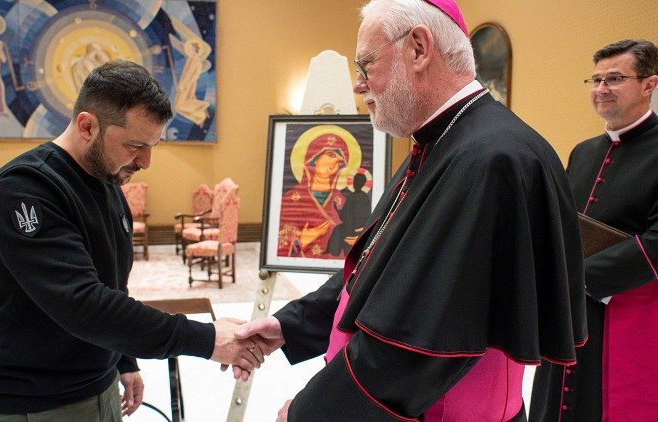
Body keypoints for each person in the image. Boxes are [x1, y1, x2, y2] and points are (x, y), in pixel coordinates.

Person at [236, 0, 587, 420]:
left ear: (418, 49)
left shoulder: (491, 160)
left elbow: (414, 348)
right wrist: (290, 325)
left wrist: (309, 412)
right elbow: (376, 267)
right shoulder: (441, 143)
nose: (358, 85)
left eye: (365, 65)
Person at [0, 60, 264, 421]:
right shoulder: (26, 190)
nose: (146, 161)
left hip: (98, 383)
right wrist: (205, 338)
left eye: (153, 145)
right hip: (35, 401)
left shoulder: (108, 183)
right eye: (135, 145)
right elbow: (82, 305)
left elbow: (109, 288)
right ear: (87, 126)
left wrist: (124, 360)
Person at [530, 39, 658, 421]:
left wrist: (575, 278)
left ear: (649, 84)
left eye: (615, 79)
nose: (601, 89)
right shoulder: (583, 152)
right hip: (571, 311)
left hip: (631, 311)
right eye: (596, 79)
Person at [277, 131, 350, 259]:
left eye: (339, 161)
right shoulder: (290, 200)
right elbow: (280, 248)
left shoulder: (342, 201)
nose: (335, 162)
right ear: (314, 159)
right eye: (330, 155)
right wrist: (302, 241)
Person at [326, 171, 371, 256]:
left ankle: (334, 253)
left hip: (352, 228)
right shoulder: (365, 197)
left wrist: (337, 208)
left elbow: (345, 216)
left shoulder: (352, 197)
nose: (354, 183)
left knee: (337, 230)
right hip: (362, 226)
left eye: (356, 181)